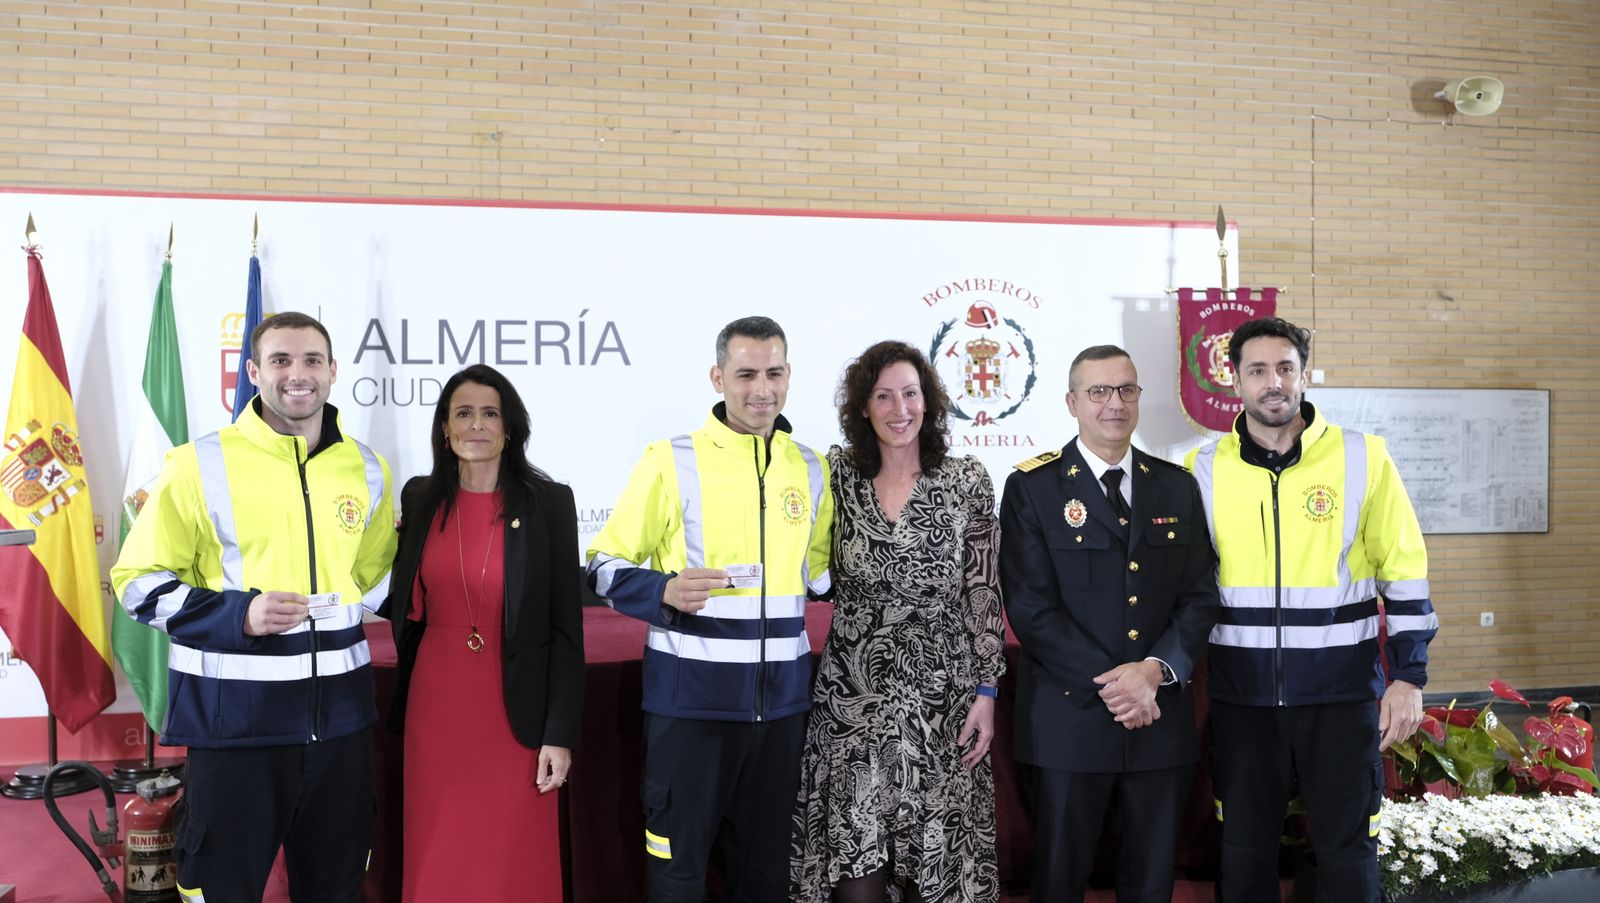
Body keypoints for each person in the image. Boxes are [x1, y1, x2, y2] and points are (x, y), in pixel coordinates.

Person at [112, 312, 397, 903]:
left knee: (337, 889)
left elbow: (372, 579)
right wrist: (238, 616)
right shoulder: (198, 464)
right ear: (253, 372)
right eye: (281, 360)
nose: (299, 375)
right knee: (221, 891)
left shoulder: (366, 467)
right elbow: (136, 581)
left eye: (312, 360)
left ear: (333, 371)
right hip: (235, 729)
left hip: (341, 728)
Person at [1185, 317, 1437, 903]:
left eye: (1284, 368)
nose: (1273, 382)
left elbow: (1404, 570)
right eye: (1257, 370)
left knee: (1348, 853)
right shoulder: (1201, 468)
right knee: (1244, 854)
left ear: (1302, 374)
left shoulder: (1363, 458)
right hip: (1243, 702)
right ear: (1236, 380)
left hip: (1342, 700)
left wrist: (1409, 676)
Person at [586, 315, 834, 902]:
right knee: (677, 875)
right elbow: (602, 562)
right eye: (746, 373)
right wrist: (662, 590)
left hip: (782, 712)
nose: (761, 388)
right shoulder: (672, 459)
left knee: (768, 876)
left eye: (774, 373)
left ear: (789, 375)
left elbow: (820, 576)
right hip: (690, 707)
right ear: (717, 377)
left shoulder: (813, 468)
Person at [999, 344, 1220, 903]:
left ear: (1139, 397)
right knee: (1059, 879)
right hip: (1071, 720)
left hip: (1157, 719)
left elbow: (1198, 595)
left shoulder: (1175, 485)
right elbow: (1029, 606)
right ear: (1073, 402)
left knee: (1150, 882)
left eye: (1126, 389)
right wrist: (1121, 685)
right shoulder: (1033, 487)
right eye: (1099, 391)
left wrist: (1152, 673)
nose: (1114, 403)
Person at [790, 341, 1006, 903]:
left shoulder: (967, 480)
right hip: (854, 701)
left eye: (910, 393)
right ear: (862, 408)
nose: (899, 408)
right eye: (882, 396)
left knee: (934, 873)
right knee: (855, 875)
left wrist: (987, 689)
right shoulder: (836, 476)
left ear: (929, 403)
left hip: (944, 701)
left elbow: (982, 590)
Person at [385, 364, 584, 901]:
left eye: (490, 413)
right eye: (463, 413)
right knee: (438, 851)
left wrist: (559, 733)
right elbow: (398, 596)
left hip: (516, 709)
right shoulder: (419, 497)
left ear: (510, 427)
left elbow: (568, 629)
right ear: (444, 430)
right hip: (437, 702)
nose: (477, 425)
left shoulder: (550, 503)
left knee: (512, 858)